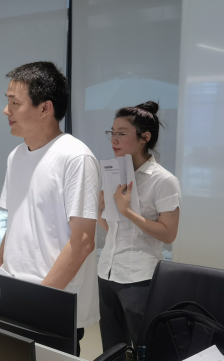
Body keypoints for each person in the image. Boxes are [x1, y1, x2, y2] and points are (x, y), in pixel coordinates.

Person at [0, 62, 100, 354]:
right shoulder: (16, 156)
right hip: (15, 297)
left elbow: (83, 242)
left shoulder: (75, 157)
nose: (6, 111)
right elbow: (15, 222)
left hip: (52, 305)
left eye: (15, 103)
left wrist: (38, 300)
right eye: (7, 102)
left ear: (45, 108)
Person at [97, 102, 181, 349]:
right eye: (112, 133)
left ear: (145, 137)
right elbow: (116, 230)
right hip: (107, 272)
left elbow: (168, 234)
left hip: (140, 278)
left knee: (146, 349)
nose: (114, 140)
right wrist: (100, 210)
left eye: (122, 134)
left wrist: (127, 211)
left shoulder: (163, 180)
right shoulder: (114, 174)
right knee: (112, 350)